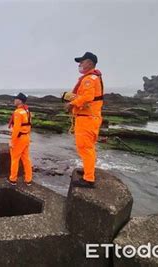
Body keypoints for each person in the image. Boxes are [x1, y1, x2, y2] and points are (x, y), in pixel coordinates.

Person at [65, 52, 104, 188]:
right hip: (90, 118)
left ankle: (89, 179)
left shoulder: (89, 79)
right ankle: (89, 171)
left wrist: (71, 104)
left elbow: (87, 97)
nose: (80, 64)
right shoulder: (93, 78)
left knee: (85, 148)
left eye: (82, 61)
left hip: (87, 119)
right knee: (88, 148)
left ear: (89, 63)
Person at [7, 93, 33, 186]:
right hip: (26, 137)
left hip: (19, 138)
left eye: (16, 99)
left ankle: (13, 179)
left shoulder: (18, 112)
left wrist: (12, 141)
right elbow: (30, 124)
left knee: (15, 159)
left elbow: (16, 129)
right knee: (26, 159)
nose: (14, 100)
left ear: (20, 101)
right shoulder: (27, 111)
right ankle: (28, 179)